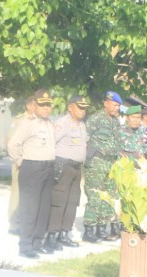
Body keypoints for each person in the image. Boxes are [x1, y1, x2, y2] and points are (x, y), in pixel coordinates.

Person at [7, 89, 56, 259]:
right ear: (34, 105)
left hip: (48, 167)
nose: (45, 108)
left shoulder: (50, 124)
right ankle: (25, 246)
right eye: (42, 105)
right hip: (32, 167)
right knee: (29, 208)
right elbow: (13, 144)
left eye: (48, 105)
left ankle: (37, 242)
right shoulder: (28, 123)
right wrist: (20, 161)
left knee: (43, 208)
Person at [46, 96, 89, 250]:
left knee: (72, 202)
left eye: (84, 108)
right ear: (70, 107)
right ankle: (52, 236)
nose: (82, 111)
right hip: (63, 166)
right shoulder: (62, 123)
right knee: (59, 201)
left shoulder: (82, 125)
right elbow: (51, 143)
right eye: (79, 107)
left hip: (77, 168)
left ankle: (65, 233)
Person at [83, 91, 122, 242]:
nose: (116, 108)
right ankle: (89, 230)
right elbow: (84, 138)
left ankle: (101, 228)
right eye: (114, 105)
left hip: (111, 163)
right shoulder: (96, 119)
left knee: (108, 197)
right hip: (96, 163)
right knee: (94, 196)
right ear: (105, 103)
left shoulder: (116, 121)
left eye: (118, 106)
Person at [6, 96, 36, 235]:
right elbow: (9, 141)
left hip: (36, 163)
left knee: (33, 195)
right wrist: (18, 160)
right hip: (21, 163)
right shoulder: (18, 120)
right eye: (36, 104)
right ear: (29, 105)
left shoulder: (40, 121)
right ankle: (14, 224)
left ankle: (28, 223)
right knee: (17, 194)